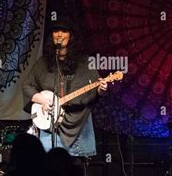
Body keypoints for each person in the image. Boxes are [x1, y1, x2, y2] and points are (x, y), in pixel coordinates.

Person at [22, 18, 108, 157]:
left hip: (77, 123)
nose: (60, 34)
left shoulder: (84, 62)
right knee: (49, 167)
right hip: (50, 124)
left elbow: (96, 91)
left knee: (72, 171)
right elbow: (27, 85)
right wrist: (42, 100)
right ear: (52, 36)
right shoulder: (43, 63)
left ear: (71, 36)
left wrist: (101, 89)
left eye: (64, 31)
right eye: (56, 31)